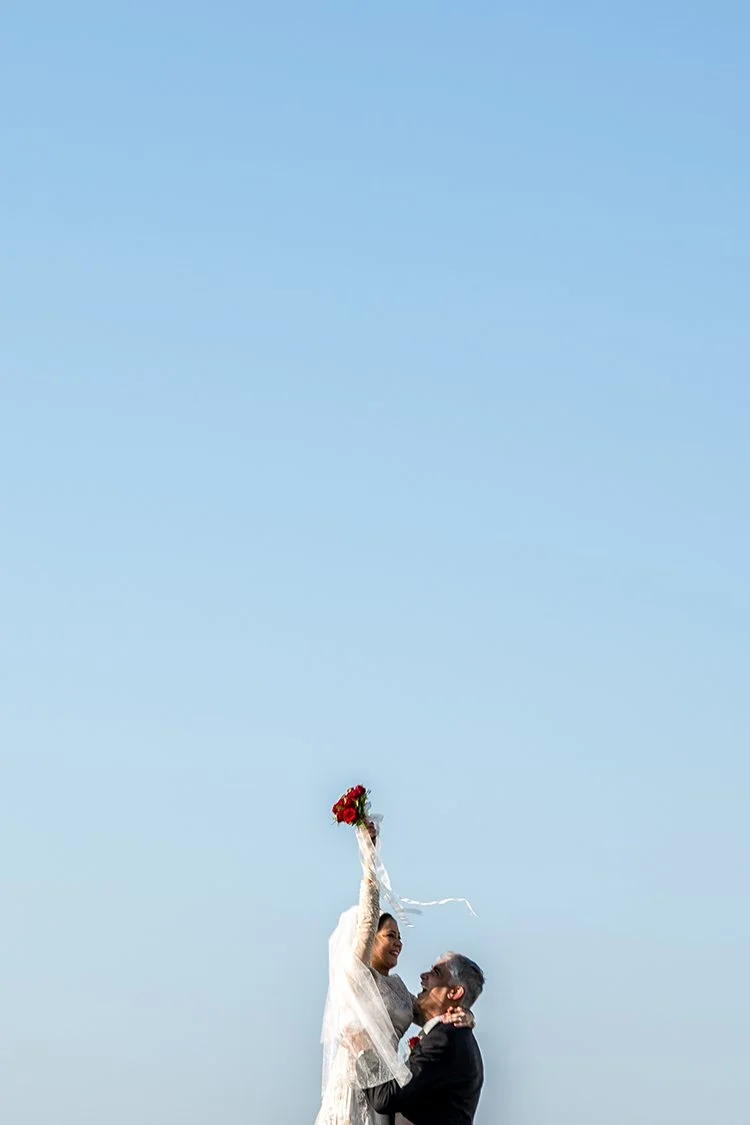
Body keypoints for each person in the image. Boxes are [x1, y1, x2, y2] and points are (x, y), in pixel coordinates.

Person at [314, 822, 474, 1125]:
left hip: (385, 1088)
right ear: (371, 940)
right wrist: (369, 859)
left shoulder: (399, 988)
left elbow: (431, 1014)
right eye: (390, 935)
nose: (398, 942)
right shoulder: (358, 977)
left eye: (400, 937)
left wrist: (467, 1015)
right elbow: (368, 918)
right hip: (355, 1083)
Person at [365, 951, 485, 1125]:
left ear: (454, 992)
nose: (423, 975)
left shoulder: (445, 1039)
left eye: (436, 973)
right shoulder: (453, 1035)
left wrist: (363, 1049)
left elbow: (385, 1097)